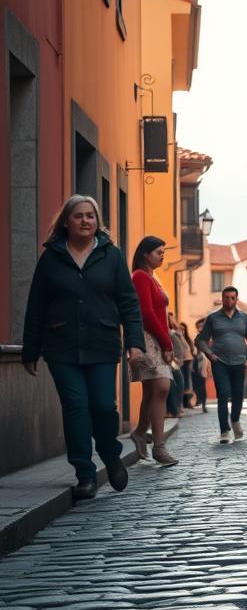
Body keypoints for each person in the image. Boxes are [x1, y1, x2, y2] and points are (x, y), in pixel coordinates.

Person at [21, 195, 145, 500]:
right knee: (75, 408)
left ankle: (109, 453)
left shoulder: (111, 255)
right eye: (78, 216)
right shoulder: (51, 258)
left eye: (91, 216)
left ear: (97, 221)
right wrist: (30, 350)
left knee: (103, 406)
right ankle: (85, 475)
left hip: (102, 344)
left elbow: (128, 302)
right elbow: (36, 304)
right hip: (61, 346)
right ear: (66, 221)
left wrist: (134, 343)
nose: (85, 221)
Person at [129, 237, 178, 466]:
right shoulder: (140, 276)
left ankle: (140, 432)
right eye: (158, 252)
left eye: (163, 251)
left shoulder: (153, 278)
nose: (162, 255)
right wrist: (166, 343)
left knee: (152, 391)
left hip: (158, 338)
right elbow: (146, 314)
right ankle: (158, 447)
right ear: (145, 253)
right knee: (161, 387)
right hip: (148, 339)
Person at [196, 287, 247, 444]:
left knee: (237, 394)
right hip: (219, 362)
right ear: (222, 299)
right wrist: (210, 355)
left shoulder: (244, 318)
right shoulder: (213, 318)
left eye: (232, 298)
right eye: (226, 297)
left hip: (240, 363)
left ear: (236, 299)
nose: (229, 301)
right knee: (223, 393)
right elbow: (200, 339)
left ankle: (235, 420)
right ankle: (224, 431)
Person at [166, 313, 188, 419]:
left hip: (177, 362)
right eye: (170, 318)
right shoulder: (168, 332)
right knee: (175, 384)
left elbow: (184, 345)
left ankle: (176, 409)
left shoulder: (174, 332)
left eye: (172, 318)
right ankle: (173, 410)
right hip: (171, 361)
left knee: (178, 384)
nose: (172, 320)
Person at [191, 318, 209, 413]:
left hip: (204, 362)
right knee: (196, 384)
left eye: (201, 326)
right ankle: (199, 401)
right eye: (198, 326)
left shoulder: (209, 337)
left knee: (202, 385)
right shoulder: (197, 337)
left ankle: (203, 405)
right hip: (196, 362)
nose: (200, 328)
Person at [178, 321, 196, 408]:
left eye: (183, 329)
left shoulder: (188, 339)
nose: (182, 331)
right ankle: (183, 403)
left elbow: (192, 351)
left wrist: (192, 364)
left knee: (189, 382)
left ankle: (188, 402)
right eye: (180, 329)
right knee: (183, 382)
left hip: (189, 361)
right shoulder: (178, 338)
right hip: (181, 362)